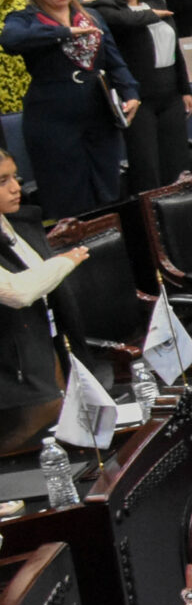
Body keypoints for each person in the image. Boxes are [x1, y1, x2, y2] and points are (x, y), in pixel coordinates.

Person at [2, 0, 139, 219]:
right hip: (52, 119)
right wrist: (63, 33)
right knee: (67, 197)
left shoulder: (92, 16)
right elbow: (10, 39)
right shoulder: (27, 19)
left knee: (108, 191)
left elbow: (115, 63)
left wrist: (131, 93)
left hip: (99, 115)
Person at [0, 152, 77, 449]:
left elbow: (39, 277)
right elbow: (18, 292)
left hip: (44, 342)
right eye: (2, 181)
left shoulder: (14, 225)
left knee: (61, 417)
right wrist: (65, 262)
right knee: (34, 427)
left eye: (15, 177)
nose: (16, 187)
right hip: (11, 369)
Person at [97, 0, 190, 194]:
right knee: (147, 167)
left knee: (178, 163)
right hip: (140, 97)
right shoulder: (106, 7)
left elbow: (174, 50)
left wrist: (185, 89)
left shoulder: (156, 0)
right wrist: (149, 16)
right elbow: (123, 21)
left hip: (170, 92)